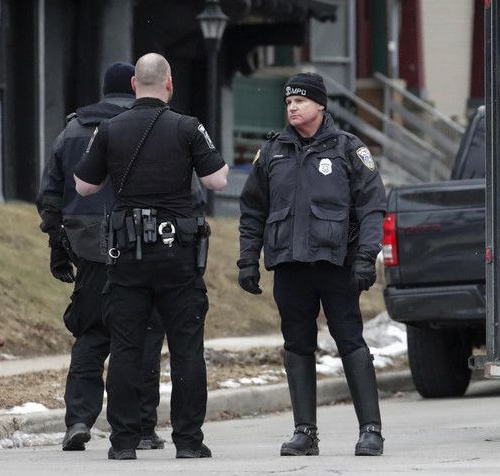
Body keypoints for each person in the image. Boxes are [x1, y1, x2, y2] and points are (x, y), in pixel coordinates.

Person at [74, 53, 229, 461]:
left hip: (128, 254)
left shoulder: (109, 128)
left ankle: (124, 442)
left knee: (126, 346)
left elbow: (84, 186)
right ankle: (189, 441)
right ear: (169, 84)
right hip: (178, 254)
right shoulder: (187, 127)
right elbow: (217, 179)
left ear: (133, 85)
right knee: (186, 347)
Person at [237, 72, 387, 457]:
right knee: (297, 346)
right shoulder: (272, 152)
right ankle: (304, 433)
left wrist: (366, 256)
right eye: (288, 102)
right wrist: (248, 259)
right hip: (290, 267)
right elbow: (252, 210)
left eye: (300, 101)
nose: (292, 107)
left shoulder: (348, 149)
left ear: (320, 105)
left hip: (336, 266)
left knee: (350, 341)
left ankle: (371, 430)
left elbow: (372, 206)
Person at [36, 62, 166, 452]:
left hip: (89, 247)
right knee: (142, 336)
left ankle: (78, 419)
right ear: (135, 86)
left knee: (91, 334)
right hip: (142, 246)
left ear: (104, 89)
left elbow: (51, 196)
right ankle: (142, 427)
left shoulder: (74, 129)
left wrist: (58, 249)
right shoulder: (153, 125)